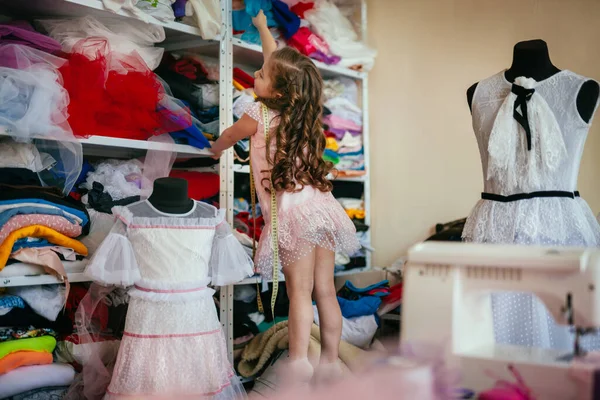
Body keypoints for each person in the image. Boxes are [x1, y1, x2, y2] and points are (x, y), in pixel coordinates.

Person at [210, 10, 360, 387]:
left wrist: (214, 149)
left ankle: (298, 365)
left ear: (275, 91)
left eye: (259, 76)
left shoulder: (257, 114)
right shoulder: (301, 112)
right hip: (322, 209)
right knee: (325, 290)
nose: (256, 76)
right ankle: (327, 363)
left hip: (293, 217)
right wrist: (263, 29)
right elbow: (274, 62)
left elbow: (229, 135)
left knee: (298, 294)